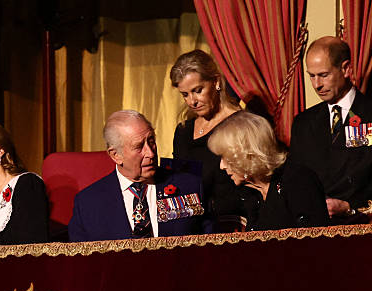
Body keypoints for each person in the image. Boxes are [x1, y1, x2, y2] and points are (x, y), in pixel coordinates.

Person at [290, 36, 372, 221]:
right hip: (312, 226)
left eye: (324, 75)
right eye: (312, 75)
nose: (317, 85)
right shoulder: (303, 123)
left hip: (363, 222)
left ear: (345, 69)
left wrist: (349, 206)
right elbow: (295, 181)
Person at [69, 110, 211, 242]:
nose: (150, 153)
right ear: (116, 155)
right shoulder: (88, 203)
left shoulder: (189, 186)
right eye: (138, 147)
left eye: (151, 141)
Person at [208, 111, 329, 231]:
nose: (221, 166)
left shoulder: (298, 180)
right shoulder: (250, 192)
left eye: (226, 157)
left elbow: (314, 241)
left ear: (247, 155)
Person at [170, 49, 246, 226]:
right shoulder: (183, 131)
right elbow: (178, 185)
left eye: (197, 90)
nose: (192, 101)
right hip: (191, 223)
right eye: (185, 95)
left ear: (216, 82)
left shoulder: (241, 124)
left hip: (231, 224)